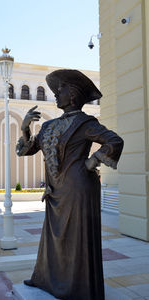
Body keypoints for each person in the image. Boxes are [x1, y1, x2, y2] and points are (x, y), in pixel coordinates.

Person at [16, 69, 124, 300]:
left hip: (78, 189)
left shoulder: (85, 123)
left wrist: (90, 162)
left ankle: (79, 287)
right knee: (54, 238)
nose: (55, 94)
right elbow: (26, 149)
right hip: (56, 191)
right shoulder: (48, 126)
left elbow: (114, 141)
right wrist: (25, 128)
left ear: (73, 95)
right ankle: (46, 279)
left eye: (60, 90)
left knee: (76, 239)